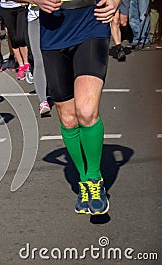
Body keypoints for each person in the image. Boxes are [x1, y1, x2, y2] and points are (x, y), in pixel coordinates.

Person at [29, 0, 120, 215]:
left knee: (87, 112)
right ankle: (84, 181)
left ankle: (95, 179)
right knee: (68, 119)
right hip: (53, 34)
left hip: (91, 24)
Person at [26, 4, 50, 116]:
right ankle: (43, 101)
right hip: (35, 18)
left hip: (57, 18)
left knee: (56, 57)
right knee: (38, 59)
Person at [0, 0, 30, 80]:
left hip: (20, 7)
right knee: (13, 38)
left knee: (21, 37)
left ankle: (27, 63)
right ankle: (21, 65)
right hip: (6, 8)